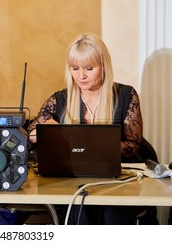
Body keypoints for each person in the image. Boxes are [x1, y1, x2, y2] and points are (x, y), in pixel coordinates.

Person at [28, 33, 158, 224]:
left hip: (117, 181)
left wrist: (89, 146)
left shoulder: (125, 95)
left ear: (103, 66)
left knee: (112, 216)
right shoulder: (59, 99)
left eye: (89, 68)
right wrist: (40, 133)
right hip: (70, 182)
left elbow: (133, 146)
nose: (81, 75)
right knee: (79, 214)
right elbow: (29, 134)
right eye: (75, 68)